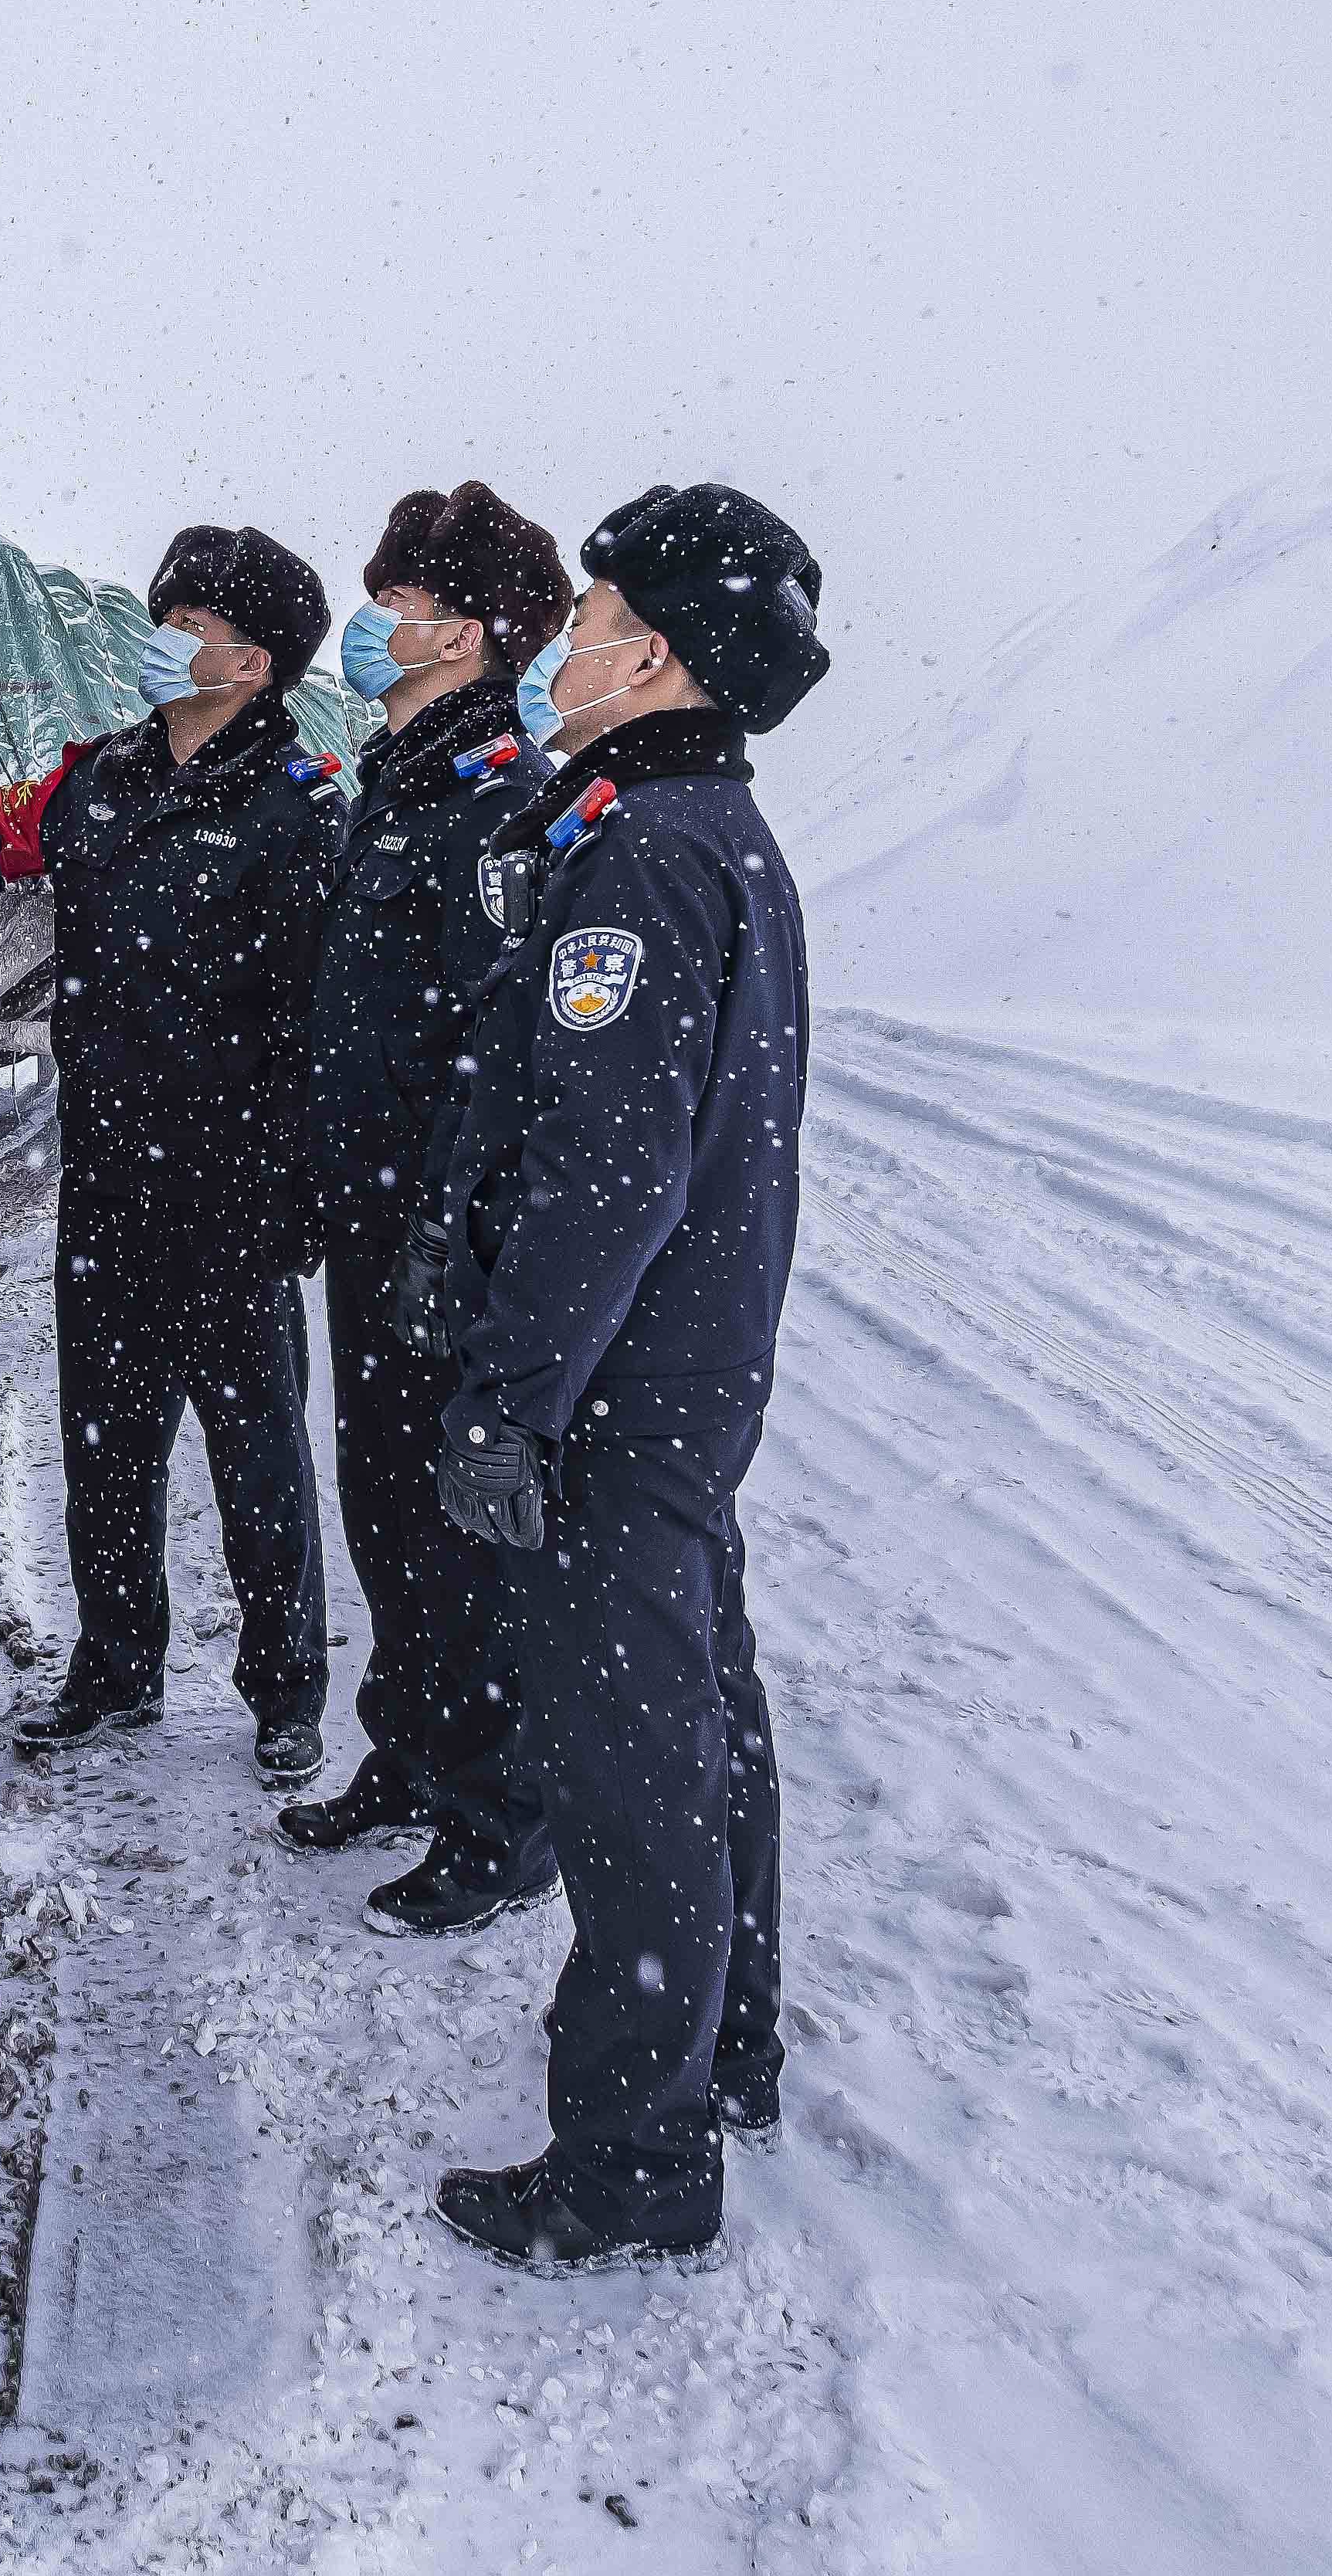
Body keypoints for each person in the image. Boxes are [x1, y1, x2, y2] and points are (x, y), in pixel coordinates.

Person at [406, 480, 829, 2274]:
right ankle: (727, 2043)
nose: (561, 643)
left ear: (651, 650)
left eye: (587, 617)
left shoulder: (647, 854)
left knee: (631, 1762)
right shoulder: (704, 827)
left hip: (617, 1383)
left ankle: (635, 2154)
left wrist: (511, 1391)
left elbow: (608, 1168)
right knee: (702, 1708)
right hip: (679, 1368)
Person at [0, 529, 346, 1773]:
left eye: (185, 621)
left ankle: (284, 1695)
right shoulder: (99, 776)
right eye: (161, 610)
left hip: (233, 1193)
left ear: (253, 660)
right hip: (111, 1182)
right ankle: (113, 1670)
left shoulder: (298, 805)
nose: (156, 637)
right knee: (103, 1449)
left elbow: (323, 1018)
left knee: (257, 1459)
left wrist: (299, 1186)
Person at [278, 484, 578, 1940]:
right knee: (384, 1508)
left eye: (391, 601)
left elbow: (494, 1049)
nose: (369, 622)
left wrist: (451, 1240)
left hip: (436, 1239)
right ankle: (402, 1752)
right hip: (365, 1222)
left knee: (462, 1535)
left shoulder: (496, 793)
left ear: (460, 630)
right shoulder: (392, 779)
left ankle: (498, 1817)